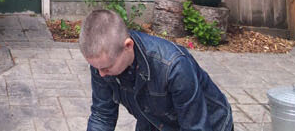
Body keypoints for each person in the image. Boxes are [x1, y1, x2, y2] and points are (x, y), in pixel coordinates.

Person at [80, 9, 233, 131]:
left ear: (128, 46)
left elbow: (196, 127)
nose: (101, 74)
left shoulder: (174, 67)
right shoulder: (102, 65)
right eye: (96, 68)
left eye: (106, 67)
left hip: (209, 124)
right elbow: (102, 116)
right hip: (154, 121)